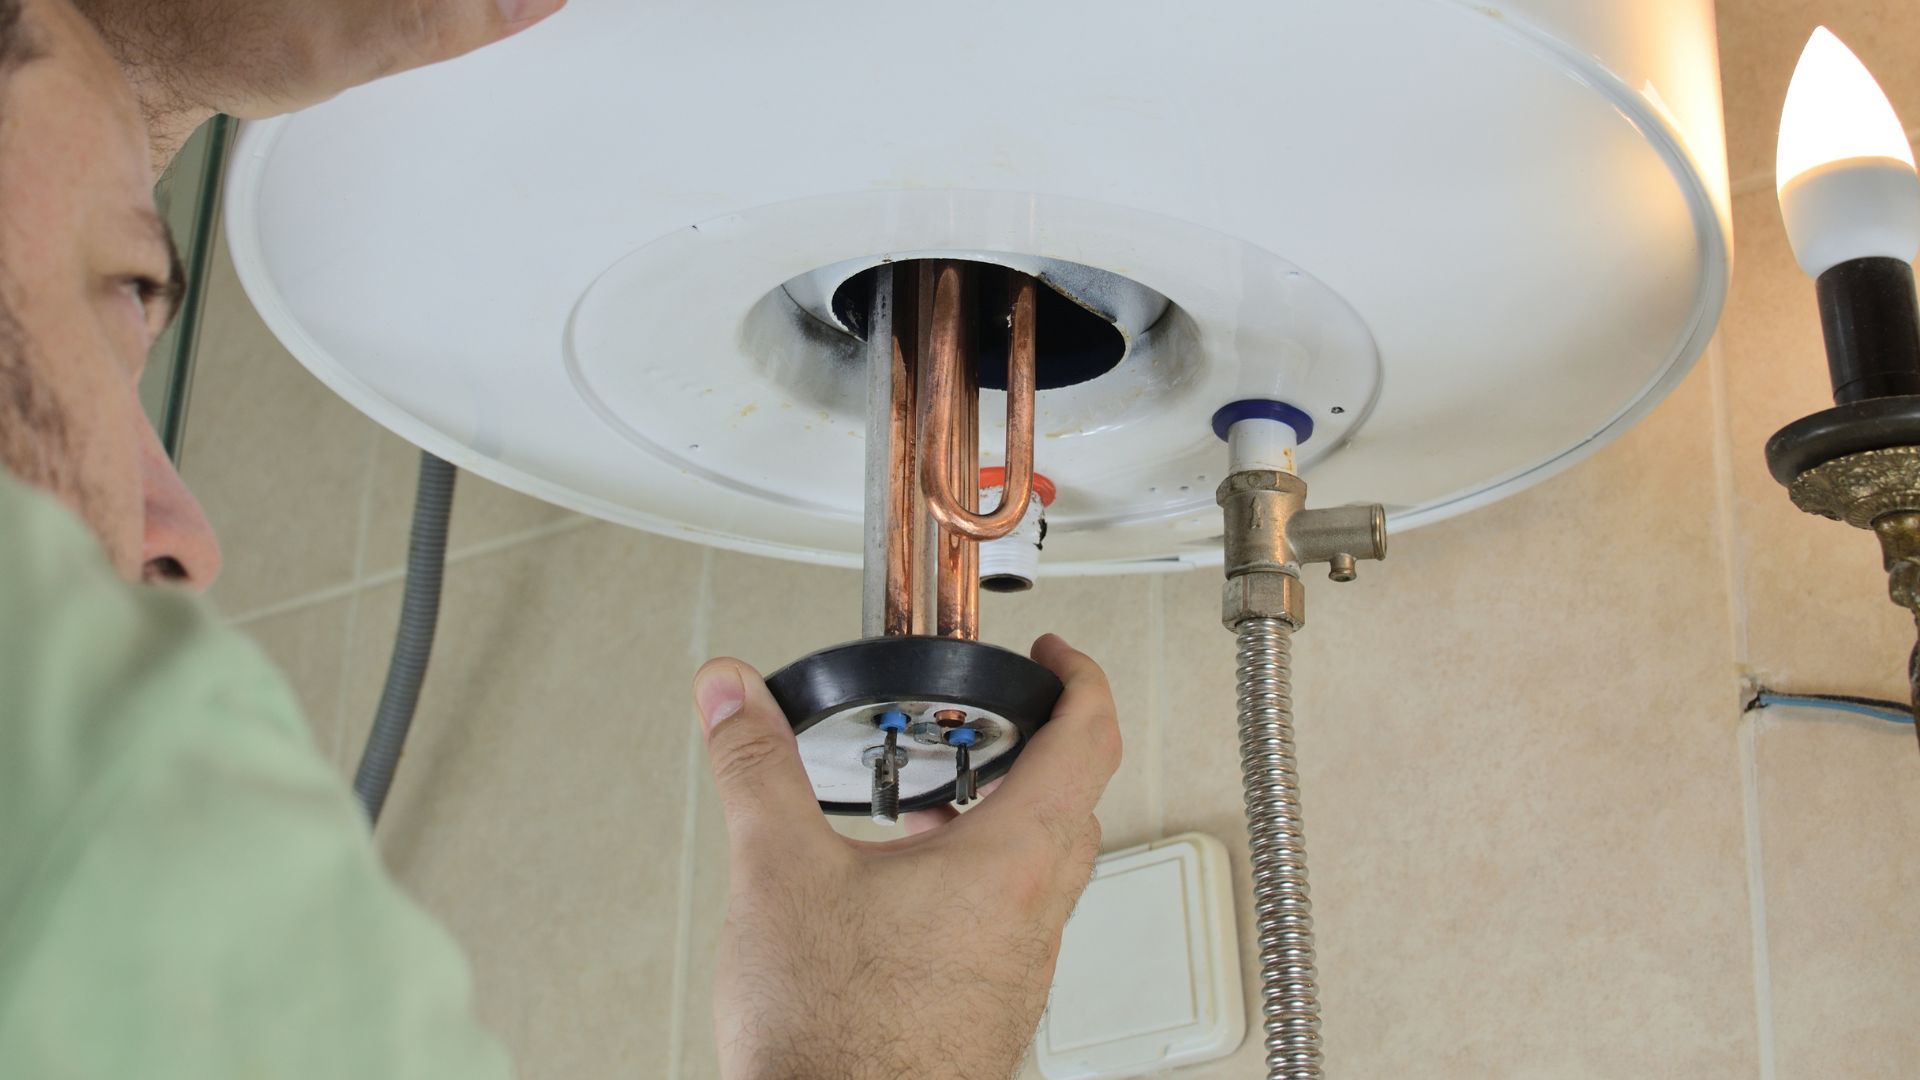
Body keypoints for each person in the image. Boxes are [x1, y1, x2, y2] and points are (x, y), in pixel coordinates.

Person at [0, 1, 1123, 1077]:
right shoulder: (84, 800)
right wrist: (875, 1051)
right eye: (121, 296)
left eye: (141, 311)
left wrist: (122, 70)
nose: (185, 542)